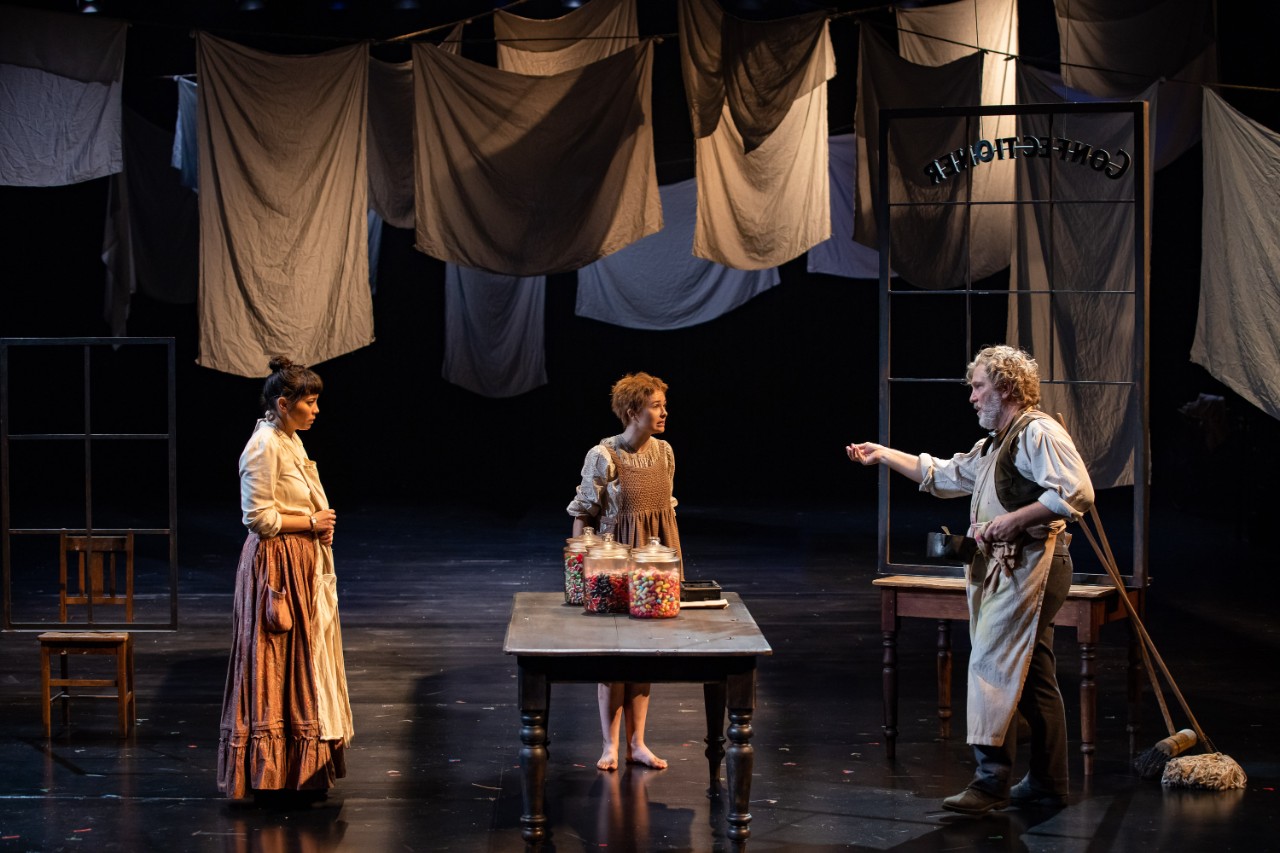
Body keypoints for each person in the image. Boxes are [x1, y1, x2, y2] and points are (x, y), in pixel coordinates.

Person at [846, 345, 1093, 815]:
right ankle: (1048, 782)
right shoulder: (997, 443)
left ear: (1007, 388)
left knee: (991, 665)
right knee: (1033, 675)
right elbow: (944, 475)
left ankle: (991, 781)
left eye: (979, 387)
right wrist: (883, 454)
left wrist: (1015, 520)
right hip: (1010, 567)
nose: (973, 397)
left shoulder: (1037, 432)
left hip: (1033, 564)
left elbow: (1076, 491)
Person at [217, 357, 354, 800]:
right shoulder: (264, 446)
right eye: (309, 402)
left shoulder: (289, 440)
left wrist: (318, 525)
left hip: (299, 561)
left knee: (302, 662)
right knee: (276, 661)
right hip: (276, 566)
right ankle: (270, 773)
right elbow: (257, 517)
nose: (316, 410)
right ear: (283, 403)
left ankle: (299, 770)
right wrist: (311, 522)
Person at [567, 372, 680, 771]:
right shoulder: (604, 455)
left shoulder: (665, 452)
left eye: (664, 405)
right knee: (613, 658)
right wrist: (582, 573)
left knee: (645, 655)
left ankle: (638, 744)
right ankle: (609, 746)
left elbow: (666, 508)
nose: (664, 413)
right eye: (656, 406)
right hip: (614, 565)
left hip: (655, 566)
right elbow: (583, 513)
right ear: (633, 412)